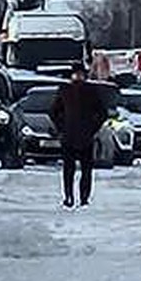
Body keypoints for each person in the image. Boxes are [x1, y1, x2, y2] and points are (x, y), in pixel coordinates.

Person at [50, 64, 108, 208]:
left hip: (85, 137)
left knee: (86, 170)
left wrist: (92, 129)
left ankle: (84, 198)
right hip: (69, 136)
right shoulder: (65, 90)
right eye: (76, 74)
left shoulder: (91, 91)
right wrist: (61, 128)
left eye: (81, 74)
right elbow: (53, 112)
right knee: (68, 170)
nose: (78, 77)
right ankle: (68, 197)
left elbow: (102, 113)